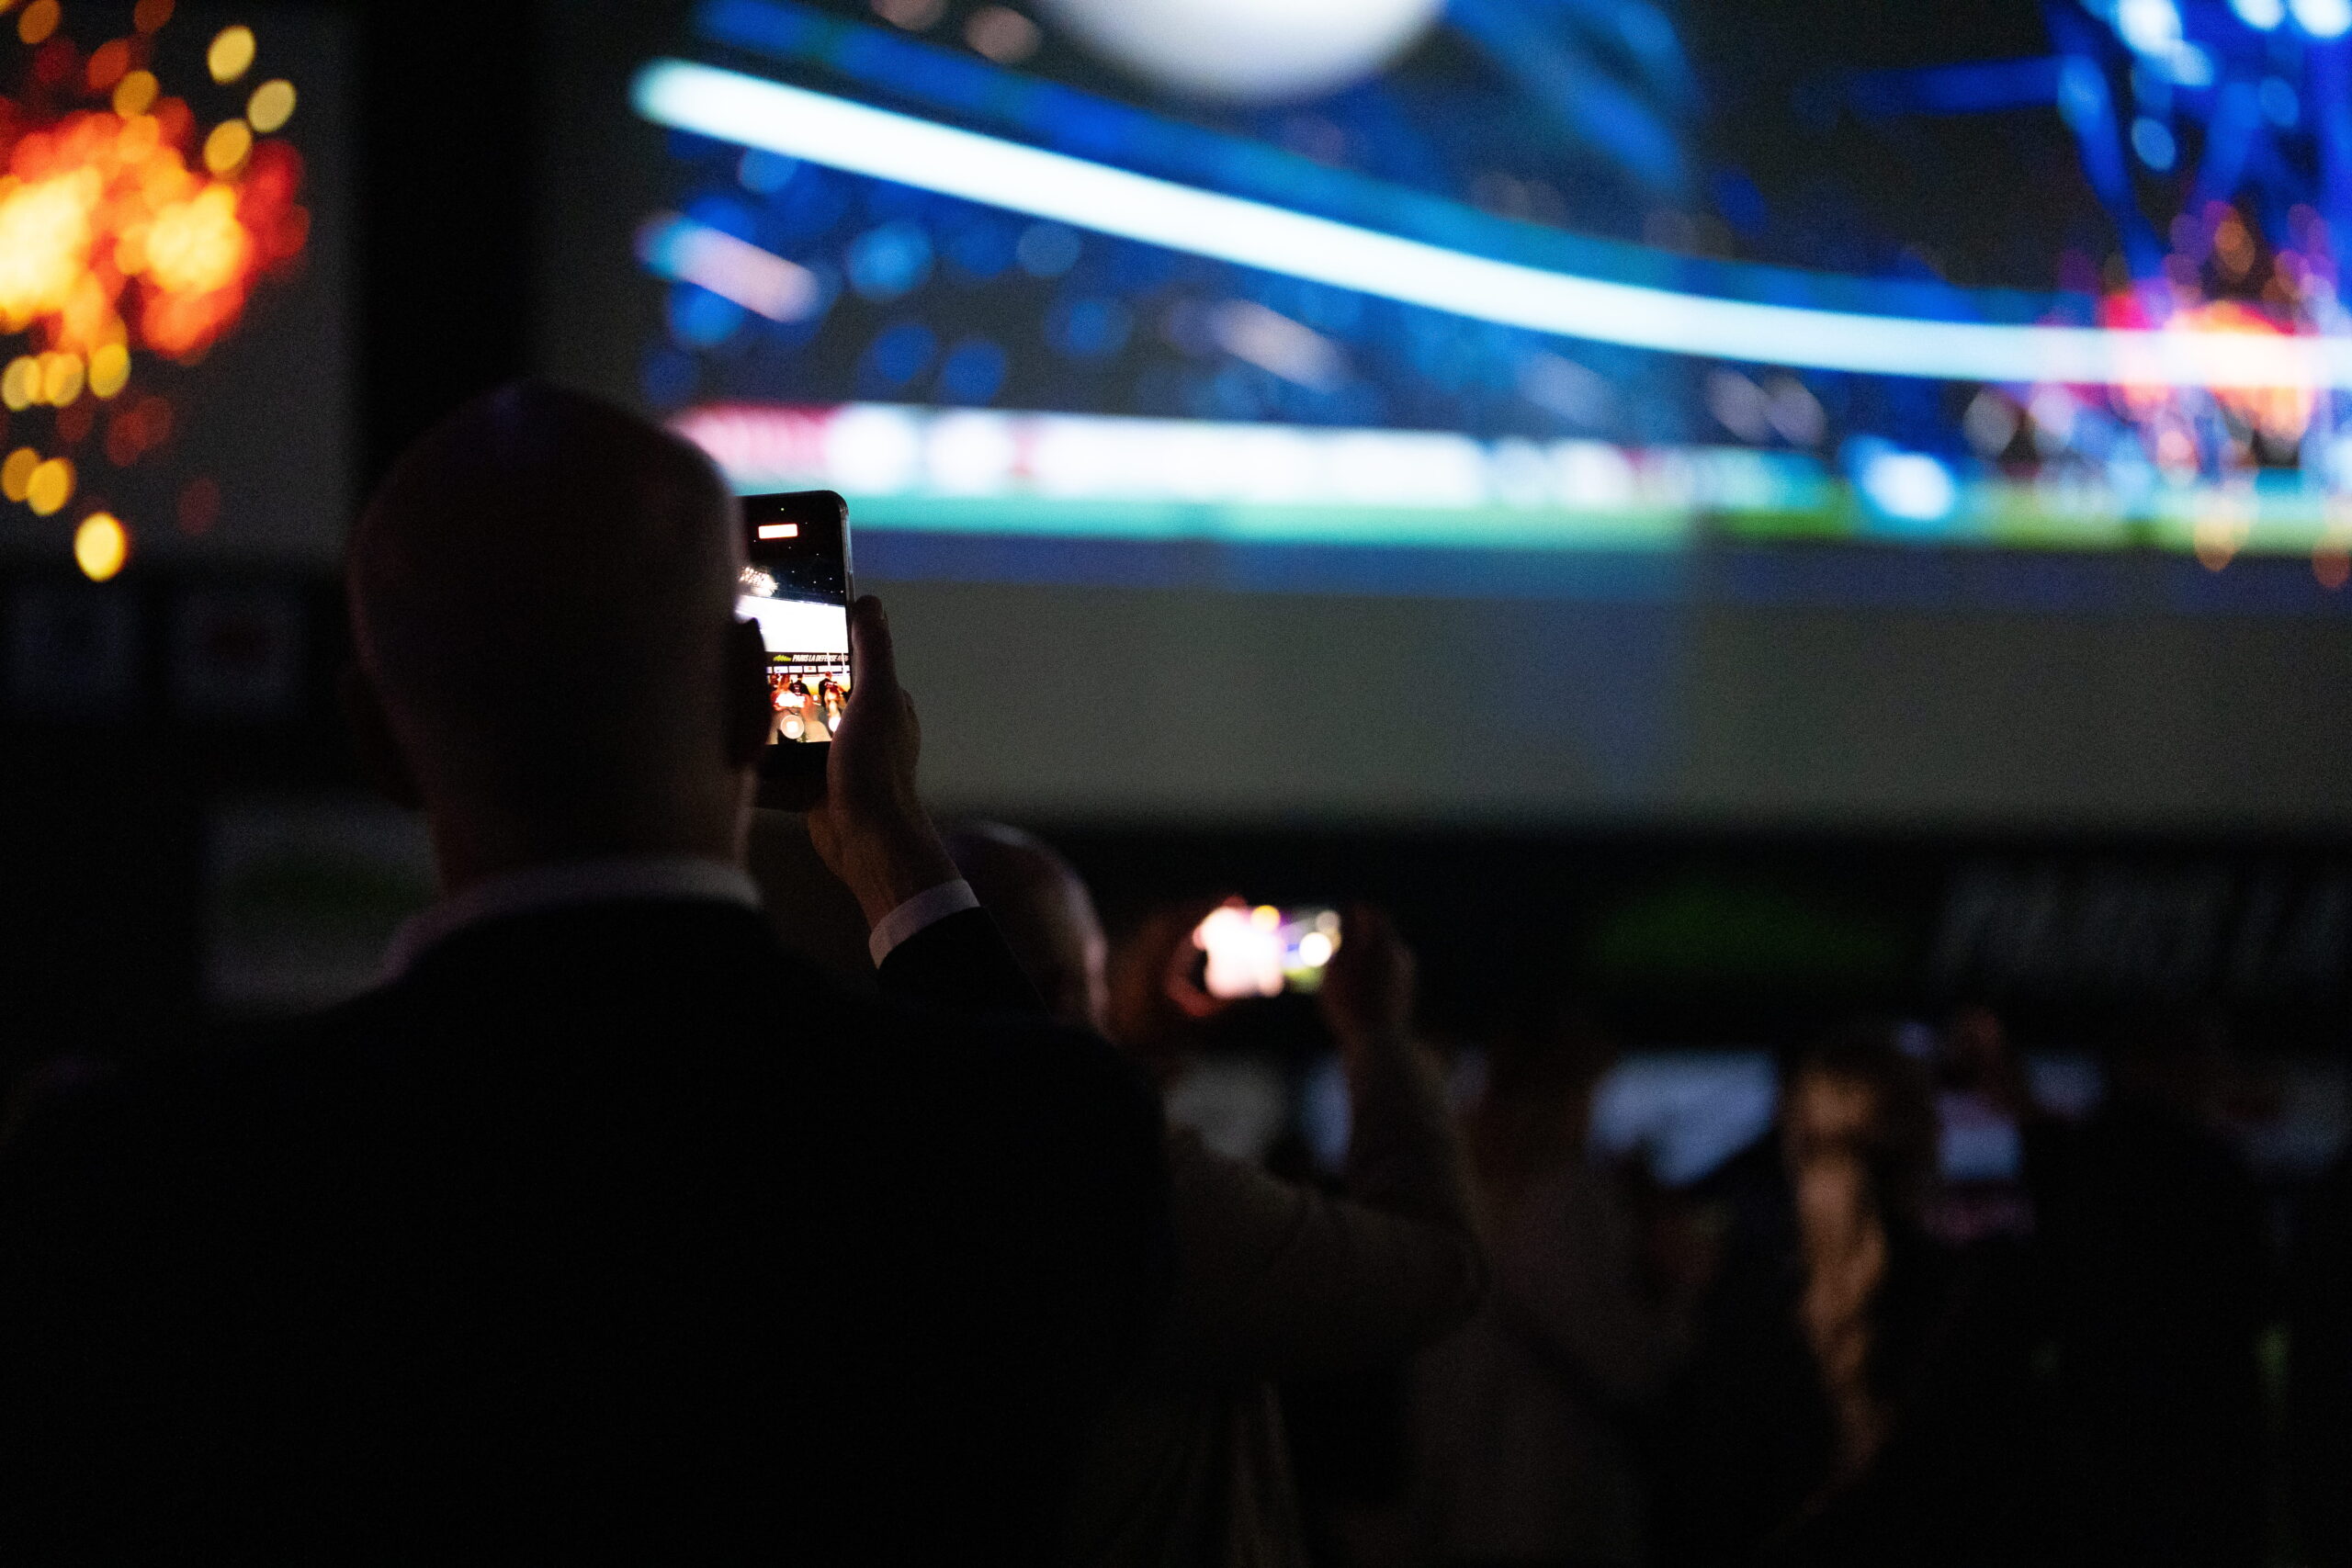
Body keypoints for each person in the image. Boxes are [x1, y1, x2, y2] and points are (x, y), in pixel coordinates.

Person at [0, 386, 1171, 1563]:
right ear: (751, 697)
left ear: (377, 742)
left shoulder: (124, 1196)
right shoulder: (1028, 1140)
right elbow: (1055, 1155)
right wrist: (896, 854)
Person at [939, 824, 1487, 1568]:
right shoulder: (1135, 1200)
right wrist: (1379, 1035)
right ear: (1068, 996)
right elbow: (1439, 1266)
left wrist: (1137, 1036)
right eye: (1100, 975)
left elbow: (1051, 1099)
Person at [1408, 1009, 1702, 1568]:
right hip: (1547, 1497)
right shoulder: (1564, 1201)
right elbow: (1628, 1361)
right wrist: (1679, 1292)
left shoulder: (1453, 1191)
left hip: (1460, 1493)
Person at [2031, 1012, 2271, 1568]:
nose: (2218, 1074)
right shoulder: (2212, 1170)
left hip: (2096, 1445)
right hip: (2200, 1450)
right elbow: (2257, 1298)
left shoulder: (2074, 1163)